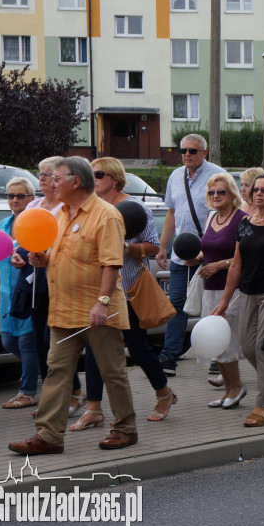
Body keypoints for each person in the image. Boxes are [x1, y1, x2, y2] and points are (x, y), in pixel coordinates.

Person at [9, 157, 138, 455]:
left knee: (112, 371)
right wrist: (43, 259)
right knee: (56, 371)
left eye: (57, 178)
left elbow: (111, 264)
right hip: (64, 310)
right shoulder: (61, 214)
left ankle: (125, 429)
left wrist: (103, 303)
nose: (51, 183)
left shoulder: (106, 215)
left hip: (97, 311)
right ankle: (49, 436)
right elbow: (60, 254)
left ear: (75, 181)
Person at [71, 157, 176, 430]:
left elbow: (152, 246)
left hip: (127, 289)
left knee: (138, 347)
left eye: (99, 174)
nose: (92, 178)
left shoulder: (135, 207)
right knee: (94, 346)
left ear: (115, 179)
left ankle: (164, 393)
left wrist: (124, 247)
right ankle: (94, 408)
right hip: (95, 289)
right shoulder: (89, 208)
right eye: (90, 173)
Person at [211, 173, 264, 427]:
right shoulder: (245, 223)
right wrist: (225, 300)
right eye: (256, 190)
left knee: (262, 346)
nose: (259, 193)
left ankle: (262, 406)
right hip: (248, 292)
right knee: (247, 347)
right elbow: (237, 264)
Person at [156, 133, 225, 375]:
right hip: (179, 256)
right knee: (176, 305)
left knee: (212, 306)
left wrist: (204, 252)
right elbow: (172, 214)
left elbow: (226, 216)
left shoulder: (218, 175)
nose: (186, 154)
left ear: (204, 153)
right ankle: (168, 357)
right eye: (183, 150)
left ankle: (218, 356)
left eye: (192, 151)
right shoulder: (176, 176)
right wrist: (163, 245)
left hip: (209, 255)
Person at [19, 157, 83, 416]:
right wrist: (18, 254)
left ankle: (73, 392)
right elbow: (22, 237)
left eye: (49, 174)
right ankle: (54, 397)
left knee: (54, 343)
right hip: (33, 280)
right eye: (40, 173)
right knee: (40, 342)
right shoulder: (34, 204)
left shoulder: (66, 208)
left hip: (57, 281)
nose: (43, 178)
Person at [197, 173, 246, 409]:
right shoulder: (211, 218)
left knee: (228, 342)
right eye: (212, 192)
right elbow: (208, 249)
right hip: (210, 288)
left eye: (221, 192)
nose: (215, 196)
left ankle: (237, 387)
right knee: (216, 342)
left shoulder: (241, 219)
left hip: (233, 290)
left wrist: (219, 265)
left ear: (232, 194)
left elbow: (246, 256)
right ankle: (228, 390)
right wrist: (197, 258)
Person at [0, 178, 36, 409]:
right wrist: (0, 295)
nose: (14, 200)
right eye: (11, 196)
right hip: (8, 294)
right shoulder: (2, 224)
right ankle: (38, 370)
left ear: (31, 198)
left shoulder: (34, 223)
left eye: (20, 196)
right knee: (8, 341)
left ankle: (28, 391)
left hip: (27, 291)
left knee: (27, 341)